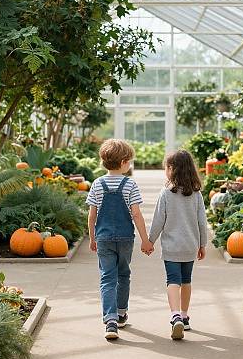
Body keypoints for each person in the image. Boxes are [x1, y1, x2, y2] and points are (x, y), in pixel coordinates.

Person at [87, 139, 154, 340]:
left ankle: (110, 321)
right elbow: (136, 214)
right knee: (123, 275)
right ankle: (121, 312)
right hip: (125, 238)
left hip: (104, 238)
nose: (130, 165)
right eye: (130, 162)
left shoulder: (97, 184)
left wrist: (92, 238)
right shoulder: (130, 184)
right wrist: (145, 240)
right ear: (124, 162)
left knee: (107, 277)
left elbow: (92, 215)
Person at [148, 149, 208, 340]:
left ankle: (175, 316)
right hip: (190, 245)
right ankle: (185, 316)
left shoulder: (166, 193)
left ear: (172, 169)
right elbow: (202, 222)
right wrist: (202, 244)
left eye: (166, 167)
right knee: (186, 280)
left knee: (172, 280)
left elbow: (158, 220)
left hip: (172, 247)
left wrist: (150, 241)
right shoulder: (196, 194)